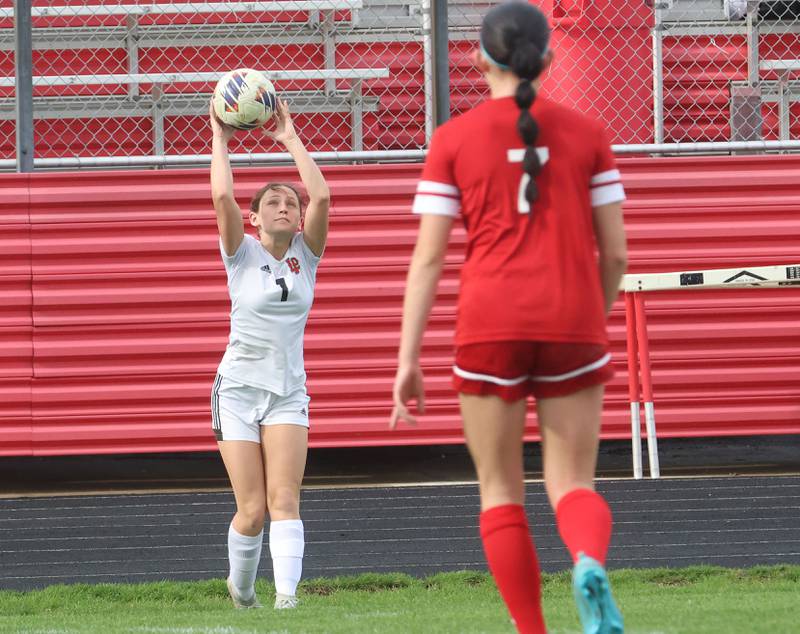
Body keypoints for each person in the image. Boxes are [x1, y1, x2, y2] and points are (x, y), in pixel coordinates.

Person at [389, 2, 627, 633]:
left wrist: (408, 358)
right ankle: (585, 561)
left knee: (500, 492)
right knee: (573, 481)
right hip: (573, 320)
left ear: (476, 58)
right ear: (547, 59)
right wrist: (589, 318)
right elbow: (618, 252)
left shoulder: (452, 139)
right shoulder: (588, 134)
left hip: (489, 324)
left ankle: (532, 630)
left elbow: (429, 259)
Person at [209, 97, 329, 610]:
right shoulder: (242, 254)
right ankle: (242, 592)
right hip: (237, 390)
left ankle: (287, 602)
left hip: (287, 392)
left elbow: (322, 196)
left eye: (291, 203)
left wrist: (289, 137)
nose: (286, 207)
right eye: (274, 203)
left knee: (285, 500)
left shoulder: (306, 254)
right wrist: (221, 136)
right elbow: (221, 199)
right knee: (252, 510)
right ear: (256, 218)